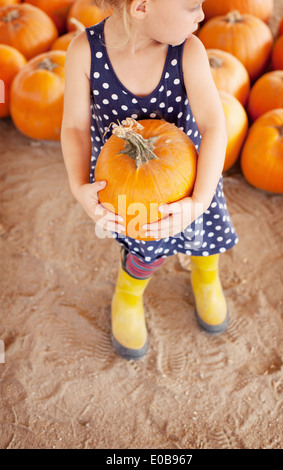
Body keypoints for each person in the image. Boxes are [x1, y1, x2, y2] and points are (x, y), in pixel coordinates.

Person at [61, 0, 239, 360]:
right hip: (127, 181)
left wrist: (200, 200)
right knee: (144, 244)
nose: (202, 15)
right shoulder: (85, 52)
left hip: (190, 178)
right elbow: (75, 127)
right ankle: (129, 294)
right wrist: (79, 187)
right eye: (193, 6)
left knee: (203, 230)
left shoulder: (188, 49)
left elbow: (214, 125)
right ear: (141, 7)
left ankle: (205, 276)